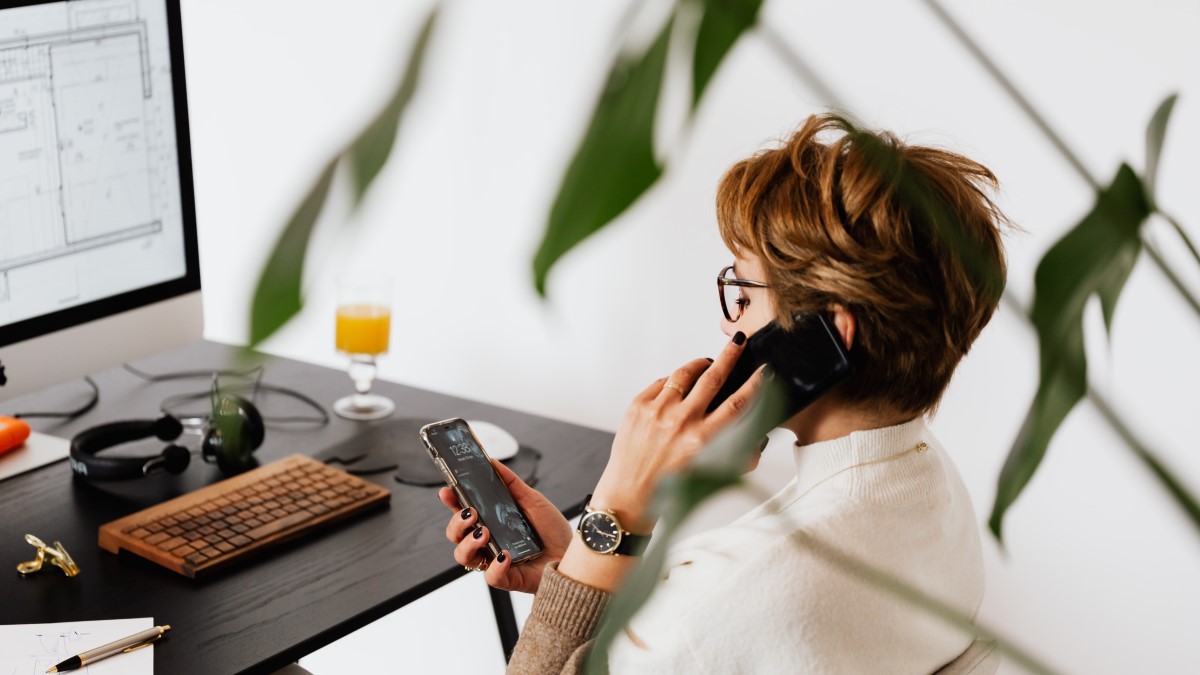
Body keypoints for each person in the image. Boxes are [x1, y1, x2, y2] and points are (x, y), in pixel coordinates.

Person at [439, 113, 1008, 673]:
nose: (727, 324)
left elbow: (710, 628)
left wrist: (618, 502)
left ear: (828, 333)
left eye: (743, 291)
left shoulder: (721, 604)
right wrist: (581, 562)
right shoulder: (931, 487)